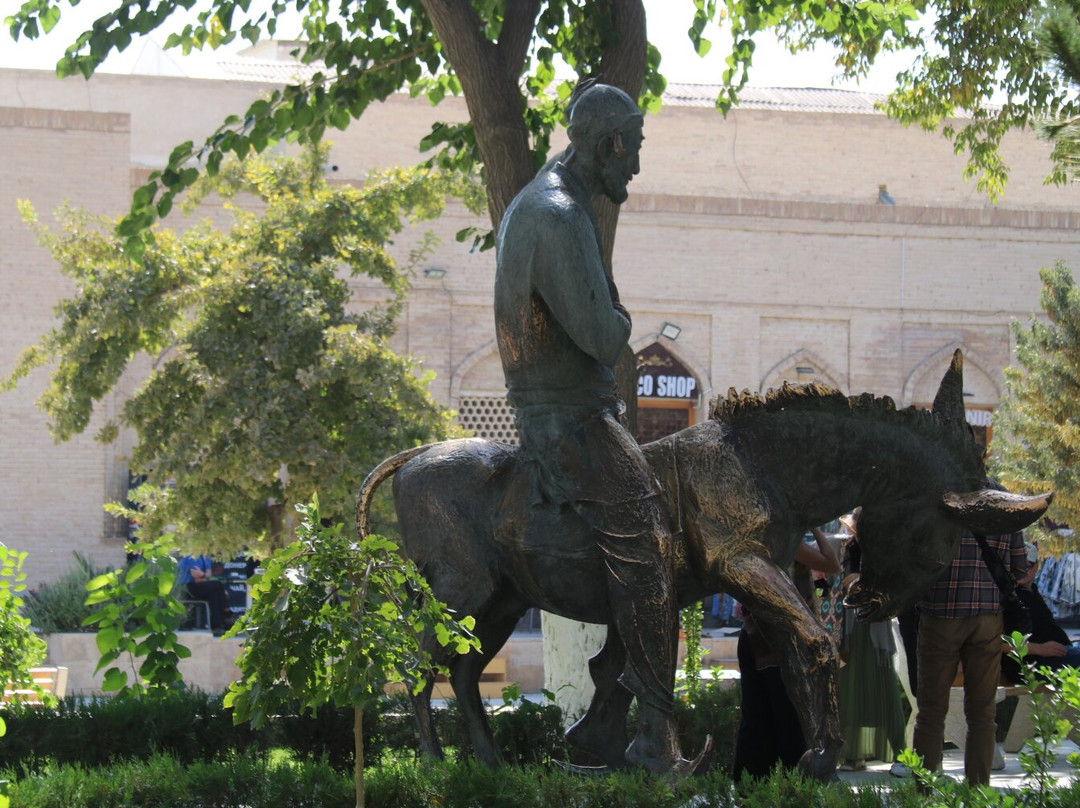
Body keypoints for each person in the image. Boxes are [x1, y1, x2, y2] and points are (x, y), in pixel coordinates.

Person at [493, 81, 682, 771]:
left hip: (571, 412)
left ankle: (607, 725)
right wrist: (625, 319)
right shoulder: (556, 215)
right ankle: (650, 742)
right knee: (655, 556)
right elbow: (605, 335)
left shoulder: (553, 205)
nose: (634, 166)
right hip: (566, 421)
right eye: (631, 150)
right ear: (608, 143)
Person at [912, 527, 1027, 785]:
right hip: (988, 617)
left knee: (930, 713)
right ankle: (978, 792)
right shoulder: (1004, 501)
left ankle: (923, 794)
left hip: (940, 612)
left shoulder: (938, 494)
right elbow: (1020, 570)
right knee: (982, 714)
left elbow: (912, 558)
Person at [731, 527, 841, 780]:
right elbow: (831, 564)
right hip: (780, 642)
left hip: (753, 635)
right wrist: (813, 527)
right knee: (790, 717)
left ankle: (753, 784)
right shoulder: (786, 542)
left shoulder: (751, 543)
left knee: (757, 716)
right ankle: (796, 782)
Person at [834, 510, 908, 773]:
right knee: (852, 690)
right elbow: (844, 583)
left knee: (884, 691)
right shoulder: (852, 549)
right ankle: (853, 756)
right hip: (854, 629)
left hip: (875, 628)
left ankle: (901, 754)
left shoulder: (885, 553)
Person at [1002, 541, 1080, 682]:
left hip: (1057, 655)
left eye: (1027, 565)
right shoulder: (1006, 596)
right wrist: (1039, 649)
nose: (1021, 571)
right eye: (1016, 566)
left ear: (1036, 566)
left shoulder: (1032, 592)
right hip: (1030, 665)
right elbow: (996, 643)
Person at [176, 554, 230, 635]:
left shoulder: (206, 557)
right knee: (217, 585)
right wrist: (204, 575)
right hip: (186, 588)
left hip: (198, 586)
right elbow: (198, 578)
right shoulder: (191, 556)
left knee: (215, 594)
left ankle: (217, 626)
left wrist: (203, 575)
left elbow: (209, 574)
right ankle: (227, 612)